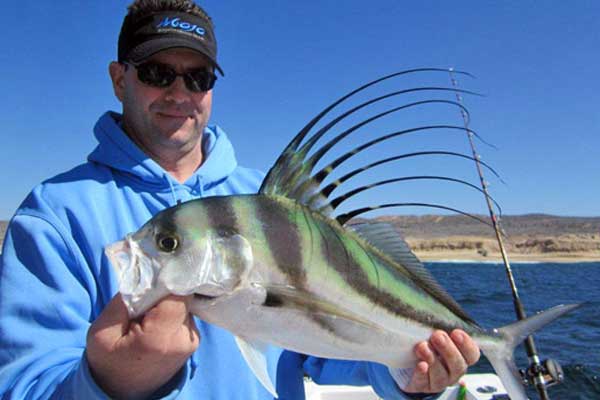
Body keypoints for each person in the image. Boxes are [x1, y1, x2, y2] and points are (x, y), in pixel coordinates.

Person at [0, 1, 480, 399]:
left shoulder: (270, 203)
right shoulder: (56, 214)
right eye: (156, 72)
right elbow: (20, 383)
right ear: (119, 78)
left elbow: (328, 348)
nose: (179, 92)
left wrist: (409, 375)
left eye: (198, 78)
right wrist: (106, 380)